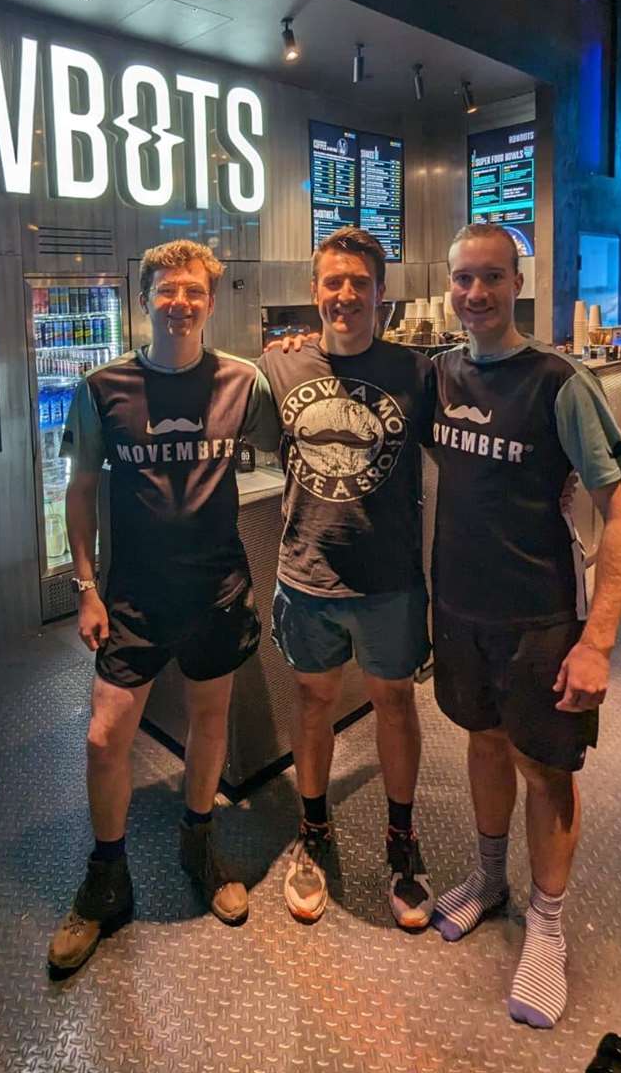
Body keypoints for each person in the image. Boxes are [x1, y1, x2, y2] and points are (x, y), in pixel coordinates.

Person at [427, 224, 621, 1029]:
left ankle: (547, 929)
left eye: (491, 279)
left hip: (542, 617)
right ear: (447, 286)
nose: (475, 294)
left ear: (516, 283)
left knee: (545, 769)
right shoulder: (442, 372)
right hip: (457, 606)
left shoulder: (561, 382)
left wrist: (599, 641)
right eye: (462, 280)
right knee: (483, 743)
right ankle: (490, 883)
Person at [47, 239, 280, 973]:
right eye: (166, 291)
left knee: (211, 720)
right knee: (103, 737)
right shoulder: (102, 386)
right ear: (143, 298)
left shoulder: (245, 383)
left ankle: (198, 837)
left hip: (217, 588)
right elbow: (80, 490)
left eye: (194, 292)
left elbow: (296, 435)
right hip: (134, 597)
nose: (180, 303)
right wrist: (85, 587)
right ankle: (108, 875)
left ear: (212, 303)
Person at [260, 227, 436, 929]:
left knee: (395, 704)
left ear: (381, 295)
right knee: (312, 702)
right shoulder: (280, 366)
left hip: (390, 579)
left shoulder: (418, 373)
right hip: (305, 574)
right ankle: (313, 833)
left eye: (359, 283)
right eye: (333, 282)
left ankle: (402, 843)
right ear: (315, 292)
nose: (345, 294)